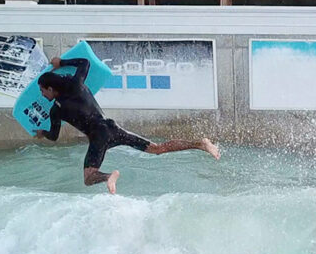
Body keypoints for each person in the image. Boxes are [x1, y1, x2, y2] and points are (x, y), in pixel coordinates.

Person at [35, 56, 220, 194]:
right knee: (157, 149)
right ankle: (201, 144)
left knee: (89, 178)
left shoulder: (55, 111)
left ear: (50, 88)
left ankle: (109, 176)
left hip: (98, 137)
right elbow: (84, 63)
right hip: (112, 128)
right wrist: (63, 62)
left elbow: (54, 136)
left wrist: (42, 133)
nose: (42, 95)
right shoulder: (77, 84)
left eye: (42, 91)